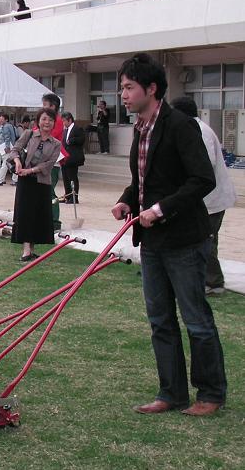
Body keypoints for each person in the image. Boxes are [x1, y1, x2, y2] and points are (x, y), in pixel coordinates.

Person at [112, 53, 225, 417]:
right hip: (153, 243)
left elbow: (202, 179)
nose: (123, 95)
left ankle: (210, 393)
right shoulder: (140, 128)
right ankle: (171, 393)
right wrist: (127, 201)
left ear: (152, 88)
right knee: (160, 320)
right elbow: (144, 182)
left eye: (129, 88)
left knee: (196, 319)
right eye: (122, 88)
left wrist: (160, 210)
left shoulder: (180, 125)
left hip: (185, 240)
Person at [170, 96, 237, 296]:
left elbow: (203, 167)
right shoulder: (192, 129)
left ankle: (214, 283)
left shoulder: (200, 132)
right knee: (198, 240)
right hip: (203, 199)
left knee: (206, 240)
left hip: (212, 200)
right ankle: (198, 277)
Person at [8, 108, 61, 261]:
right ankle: (26, 250)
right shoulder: (28, 134)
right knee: (25, 214)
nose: (47, 122)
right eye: (44, 119)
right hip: (25, 182)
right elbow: (15, 150)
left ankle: (32, 249)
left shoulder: (56, 144)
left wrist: (30, 170)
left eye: (50, 120)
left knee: (37, 215)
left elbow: (49, 165)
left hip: (41, 182)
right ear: (38, 121)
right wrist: (18, 162)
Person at [42, 93, 66, 230]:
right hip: (42, 160)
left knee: (49, 190)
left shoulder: (57, 121)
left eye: (45, 105)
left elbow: (46, 136)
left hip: (53, 160)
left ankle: (55, 221)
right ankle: (45, 219)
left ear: (53, 106)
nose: (43, 107)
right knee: (42, 191)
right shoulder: (46, 119)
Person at [60, 112, 85, 203]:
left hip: (73, 157)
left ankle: (74, 197)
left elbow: (82, 139)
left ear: (69, 120)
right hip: (65, 158)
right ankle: (67, 195)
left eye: (64, 121)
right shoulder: (65, 130)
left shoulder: (77, 128)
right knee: (65, 177)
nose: (63, 123)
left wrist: (71, 140)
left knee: (72, 177)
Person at [0, 114, 19, 186]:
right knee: (13, 163)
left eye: (2, 119)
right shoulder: (12, 126)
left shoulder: (5, 127)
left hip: (8, 147)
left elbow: (7, 137)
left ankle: (0, 180)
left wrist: (7, 147)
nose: (0, 120)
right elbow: (16, 135)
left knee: (5, 164)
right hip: (13, 146)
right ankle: (15, 180)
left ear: (6, 120)